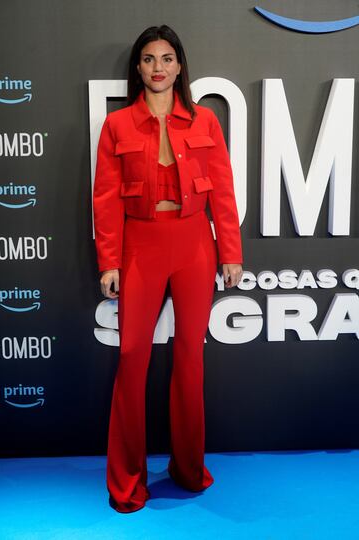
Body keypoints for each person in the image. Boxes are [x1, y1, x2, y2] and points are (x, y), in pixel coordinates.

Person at [93, 24, 243, 513]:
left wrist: (231, 253)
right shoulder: (116, 127)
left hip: (195, 244)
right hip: (140, 245)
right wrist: (109, 261)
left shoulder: (204, 122)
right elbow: (106, 200)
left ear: (180, 66)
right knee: (133, 357)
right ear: (137, 68)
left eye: (167, 58)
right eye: (149, 59)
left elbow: (222, 191)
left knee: (190, 361)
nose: (158, 68)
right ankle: (126, 482)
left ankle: (187, 467)